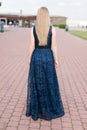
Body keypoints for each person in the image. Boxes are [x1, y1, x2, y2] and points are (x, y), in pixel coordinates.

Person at [25, 7, 65, 121]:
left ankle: (38, 108)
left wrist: (29, 59)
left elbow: (31, 46)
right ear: (47, 17)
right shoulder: (52, 30)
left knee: (38, 82)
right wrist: (56, 59)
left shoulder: (33, 29)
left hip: (36, 56)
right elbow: (54, 46)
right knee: (49, 81)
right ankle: (49, 106)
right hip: (48, 56)